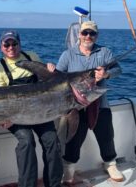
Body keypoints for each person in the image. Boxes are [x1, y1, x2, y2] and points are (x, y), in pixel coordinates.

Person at [56, 21, 124, 184]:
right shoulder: (68, 55)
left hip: (99, 104)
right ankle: (69, 168)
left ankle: (110, 163)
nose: (88, 36)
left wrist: (106, 74)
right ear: (79, 34)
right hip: (76, 106)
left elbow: (118, 69)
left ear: (96, 36)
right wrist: (52, 70)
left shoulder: (104, 52)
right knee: (74, 139)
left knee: (106, 136)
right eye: (85, 33)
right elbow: (57, 77)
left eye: (92, 33)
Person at [0, 30, 63, 187]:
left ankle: (54, 184)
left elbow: (47, 81)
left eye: (14, 43)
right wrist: (5, 118)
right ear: (1, 47)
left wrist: (52, 71)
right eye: (7, 44)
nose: (11, 47)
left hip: (40, 112)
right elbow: (1, 98)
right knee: (26, 140)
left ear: (20, 44)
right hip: (16, 116)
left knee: (51, 139)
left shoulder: (31, 56)